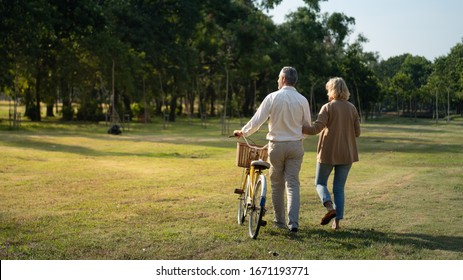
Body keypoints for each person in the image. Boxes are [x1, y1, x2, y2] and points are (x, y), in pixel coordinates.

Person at [234, 66, 311, 233]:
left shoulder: (273, 97)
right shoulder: (303, 100)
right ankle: (294, 223)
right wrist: (297, 138)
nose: (277, 81)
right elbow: (307, 127)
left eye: (278, 78)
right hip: (295, 146)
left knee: (277, 185)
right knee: (293, 184)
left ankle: (280, 221)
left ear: (283, 79)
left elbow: (257, 120)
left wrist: (243, 132)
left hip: (276, 146)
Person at [302, 77, 360, 230]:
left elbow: (315, 129)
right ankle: (337, 223)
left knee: (320, 183)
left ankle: (329, 207)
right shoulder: (352, 108)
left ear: (331, 90)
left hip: (328, 153)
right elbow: (358, 132)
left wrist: (298, 127)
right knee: (339, 188)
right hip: (347, 154)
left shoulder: (327, 107)